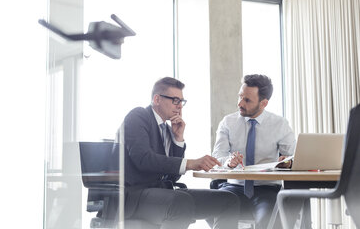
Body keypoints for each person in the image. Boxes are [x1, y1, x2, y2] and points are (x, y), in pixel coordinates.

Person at [122, 77, 240, 229]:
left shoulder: (166, 128)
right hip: (134, 196)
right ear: (157, 99)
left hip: (162, 192)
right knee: (181, 202)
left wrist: (178, 139)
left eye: (182, 102)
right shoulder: (138, 116)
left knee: (229, 200)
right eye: (175, 100)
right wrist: (190, 163)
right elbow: (143, 159)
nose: (179, 106)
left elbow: (172, 176)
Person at [212, 74, 296, 229]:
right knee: (222, 216)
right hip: (234, 187)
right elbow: (217, 158)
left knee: (268, 222)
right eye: (240, 97)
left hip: (267, 189)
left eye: (247, 100)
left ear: (263, 103)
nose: (239, 103)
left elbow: (295, 158)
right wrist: (228, 162)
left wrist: (287, 162)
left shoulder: (279, 124)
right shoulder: (228, 123)